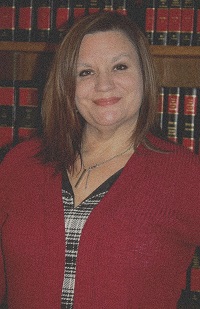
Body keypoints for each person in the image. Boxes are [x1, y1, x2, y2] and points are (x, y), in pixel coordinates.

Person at [0, 11, 200, 309]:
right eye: (85, 72)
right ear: (67, 86)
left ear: (145, 75)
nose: (104, 84)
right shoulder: (20, 164)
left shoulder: (186, 176)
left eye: (120, 66)